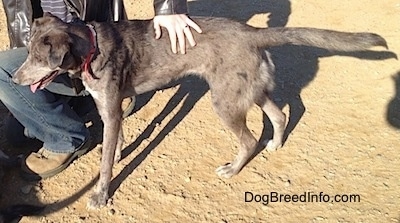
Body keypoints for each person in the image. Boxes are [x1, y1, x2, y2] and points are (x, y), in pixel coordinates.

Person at [0, 0, 202, 181]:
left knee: (5, 75)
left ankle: (68, 138)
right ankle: (92, 98)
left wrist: (169, 6)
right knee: (16, 135)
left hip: (100, 50)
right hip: (49, 52)